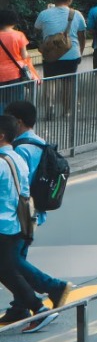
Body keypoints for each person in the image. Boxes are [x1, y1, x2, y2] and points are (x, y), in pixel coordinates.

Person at [3, 101, 70, 330]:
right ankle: (20, 305)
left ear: (18, 122)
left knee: (12, 264)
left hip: (17, 217)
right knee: (13, 262)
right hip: (31, 213)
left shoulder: (20, 149)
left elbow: (16, 187)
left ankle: (53, 288)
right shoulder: (39, 143)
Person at [0, 113, 44, 329]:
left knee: (11, 269)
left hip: (3, 225)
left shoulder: (1, 162)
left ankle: (42, 304)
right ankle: (33, 306)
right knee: (9, 268)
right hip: (16, 223)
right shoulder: (17, 157)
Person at [32, 0, 86, 85]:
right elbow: (82, 36)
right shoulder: (77, 14)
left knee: (50, 83)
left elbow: (36, 29)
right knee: (68, 84)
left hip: (50, 54)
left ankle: (49, 100)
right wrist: (80, 52)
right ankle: (67, 101)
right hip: (72, 54)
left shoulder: (44, 13)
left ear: (55, 0)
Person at [0, 11, 39, 107]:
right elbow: (24, 55)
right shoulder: (19, 35)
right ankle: (13, 120)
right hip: (15, 73)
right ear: (14, 21)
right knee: (15, 102)